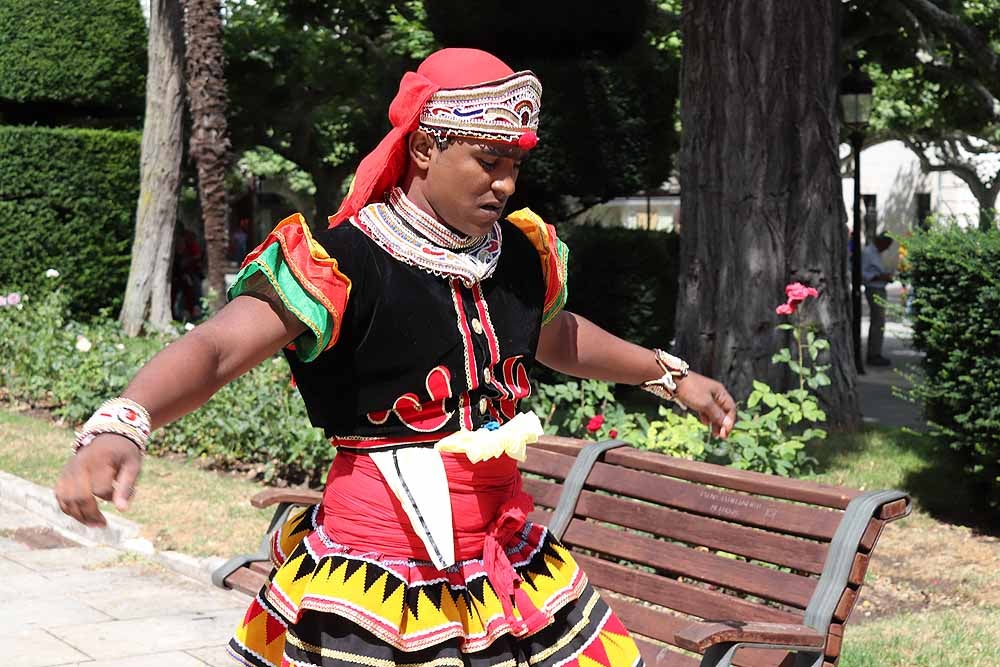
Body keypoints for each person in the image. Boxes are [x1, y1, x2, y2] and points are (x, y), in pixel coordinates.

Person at [55, 49, 736, 667]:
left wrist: (668, 374)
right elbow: (218, 345)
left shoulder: (520, 256)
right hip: (381, 569)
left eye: (514, 164)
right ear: (423, 149)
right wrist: (124, 420)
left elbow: (555, 336)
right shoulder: (341, 263)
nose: (503, 184)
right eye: (486, 160)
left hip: (506, 556)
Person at [862, 233, 894, 366]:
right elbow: (863, 273)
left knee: (879, 322)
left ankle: (876, 352)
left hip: (879, 287)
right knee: (877, 322)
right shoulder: (868, 253)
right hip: (874, 288)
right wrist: (880, 277)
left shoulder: (875, 253)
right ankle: (873, 354)